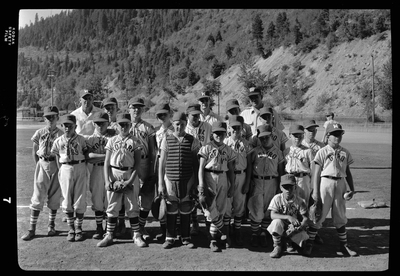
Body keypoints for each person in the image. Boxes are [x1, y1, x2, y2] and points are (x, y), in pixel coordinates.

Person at [304, 123, 358, 257]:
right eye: (334, 134)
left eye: (339, 134)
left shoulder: (345, 152)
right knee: (319, 214)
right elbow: (316, 172)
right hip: (325, 183)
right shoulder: (322, 151)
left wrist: (352, 188)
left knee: (340, 215)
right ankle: (309, 244)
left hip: (340, 184)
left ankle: (344, 246)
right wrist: (315, 191)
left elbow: (348, 172)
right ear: (328, 136)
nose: (338, 137)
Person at [96, 113, 144, 247]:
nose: (124, 127)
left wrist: (130, 182)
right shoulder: (112, 140)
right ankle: (109, 235)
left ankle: (136, 235)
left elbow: (137, 164)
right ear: (117, 126)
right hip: (114, 173)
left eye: (126, 124)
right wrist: (107, 181)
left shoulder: (135, 141)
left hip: (130, 174)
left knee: (133, 206)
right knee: (112, 206)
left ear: (130, 125)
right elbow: (106, 162)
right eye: (121, 124)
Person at [158, 112, 202, 249]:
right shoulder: (166, 139)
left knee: (185, 207)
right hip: (170, 178)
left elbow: (196, 163)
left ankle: (186, 237)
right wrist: (160, 183)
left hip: (187, 178)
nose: (180, 127)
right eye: (177, 124)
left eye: (182, 124)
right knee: (171, 207)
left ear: (185, 124)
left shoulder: (192, 140)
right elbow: (162, 164)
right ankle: (170, 237)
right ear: (173, 124)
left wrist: (196, 182)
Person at [21, 106, 64, 241]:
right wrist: (38, 164)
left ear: (57, 117)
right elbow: (34, 151)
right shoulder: (40, 132)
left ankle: (51, 225)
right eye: (48, 117)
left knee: (54, 195)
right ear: (44, 119)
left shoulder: (61, 133)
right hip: (42, 163)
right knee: (38, 196)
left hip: (56, 164)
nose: (51, 119)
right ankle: (32, 228)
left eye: (53, 116)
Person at [198, 121, 236, 252]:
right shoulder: (207, 147)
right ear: (212, 134)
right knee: (210, 207)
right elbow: (201, 168)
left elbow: (231, 169)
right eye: (216, 133)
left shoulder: (229, 150)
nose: (219, 135)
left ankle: (216, 238)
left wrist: (232, 186)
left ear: (226, 134)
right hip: (209, 176)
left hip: (223, 177)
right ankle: (215, 237)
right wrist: (201, 183)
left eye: (221, 133)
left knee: (221, 208)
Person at [50, 114, 89, 242]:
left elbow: (86, 154)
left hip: (80, 166)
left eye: (70, 126)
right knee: (67, 198)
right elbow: (56, 156)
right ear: (62, 126)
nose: (67, 128)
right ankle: (71, 228)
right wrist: (61, 168)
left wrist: (83, 168)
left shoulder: (81, 139)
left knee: (80, 198)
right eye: (65, 125)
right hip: (65, 168)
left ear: (75, 126)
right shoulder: (59, 140)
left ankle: (79, 228)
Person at [247, 124, 285, 248]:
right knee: (256, 208)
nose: (264, 140)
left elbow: (281, 171)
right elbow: (250, 168)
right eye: (261, 138)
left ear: (272, 137)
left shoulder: (278, 152)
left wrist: (281, 186)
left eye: (266, 137)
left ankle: (263, 233)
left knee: (268, 208)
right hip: (257, 181)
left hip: (272, 182)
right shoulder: (255, 152)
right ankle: (254, 234)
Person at [128, 96, 157, 241]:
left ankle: (141, 226)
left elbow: (152, 150)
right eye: (133, 107)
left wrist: (151, 169)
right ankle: (127, 227)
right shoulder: (123, 125)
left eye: (139, 107)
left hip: (144, 163)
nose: (136, 110)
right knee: (129, 196)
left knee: (146, 196)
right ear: (129, 109)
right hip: (128, 164)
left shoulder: (148, 127)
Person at [85, 112, 117, 239]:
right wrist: (108, 156)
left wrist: (99, 157)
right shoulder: (89, 139)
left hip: (111, 171)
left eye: (103, 123)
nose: (100, 126)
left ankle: (110, 229)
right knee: (97, 199)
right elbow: (89, 157)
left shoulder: (114, 137)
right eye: (97, 123)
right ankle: (99, 228)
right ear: (93, 124)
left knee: (111, 199)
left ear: (108, 123)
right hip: (97, 171)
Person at [223, 115, 253, 247]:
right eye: (233, 128)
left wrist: (247, 182)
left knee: (240, 205)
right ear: (229, 128)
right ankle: (227, 233)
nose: (236, 130)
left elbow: (250, 165)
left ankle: (238, 231)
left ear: (242, 128)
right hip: (228, 176)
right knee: (228, 205)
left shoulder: (246, 144)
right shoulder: (225, 144)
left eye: (238, 128)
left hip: (241, 175)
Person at [185, 103, 213, 236]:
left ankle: (209, 225)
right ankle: (194, 223)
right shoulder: (185, 128)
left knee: (205, 195)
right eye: (193, 115)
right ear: (187, 116)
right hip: (190, 165)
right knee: (191, 195)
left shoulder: (207, 126)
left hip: (205, 165)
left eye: (197, 115)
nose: (195, 117)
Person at [267, 174, 310, 258]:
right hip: (281, 227)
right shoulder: (277, 198)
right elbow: (272, 215)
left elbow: (306, 218)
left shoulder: (300, 201)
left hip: (293, 229)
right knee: (276, 222)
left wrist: (300, 227)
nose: (288, 190)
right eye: (285, 187)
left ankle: (289, 242)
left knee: (304, 238)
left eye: (291, 187)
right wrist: (288, 217)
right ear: (281, 187)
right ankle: (277, 246)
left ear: (295, 187)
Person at [301, 119, 325, 245]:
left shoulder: (321, 146)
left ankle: (315, 234)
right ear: (304, 131)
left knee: (316, 207)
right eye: (309, 130)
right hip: (304, 179)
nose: (312, 132)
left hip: (318, 180)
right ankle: (301, 233)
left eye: (314, 130)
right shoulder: (300, 144)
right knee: (303, 207)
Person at [154, 103, 175, 241]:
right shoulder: (157, 132)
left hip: (173, 166)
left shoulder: (175, 129)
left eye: (164, 114)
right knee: (161, 197)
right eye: (159, 115)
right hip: (160, 166)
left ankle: (174, 229)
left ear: (170, 114)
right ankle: (163, 229)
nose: (162, 117)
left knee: (172, 198)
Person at [283, 124, 315, 207]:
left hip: (303, 179)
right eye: (295, 135)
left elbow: (313, 170)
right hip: (290, 178)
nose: (297, 138)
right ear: (290, 136)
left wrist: (312, 185)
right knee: (290, 202)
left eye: (300, 135)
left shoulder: (308, 151)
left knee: (303, 202)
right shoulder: (286, 151)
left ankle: (304, 219)